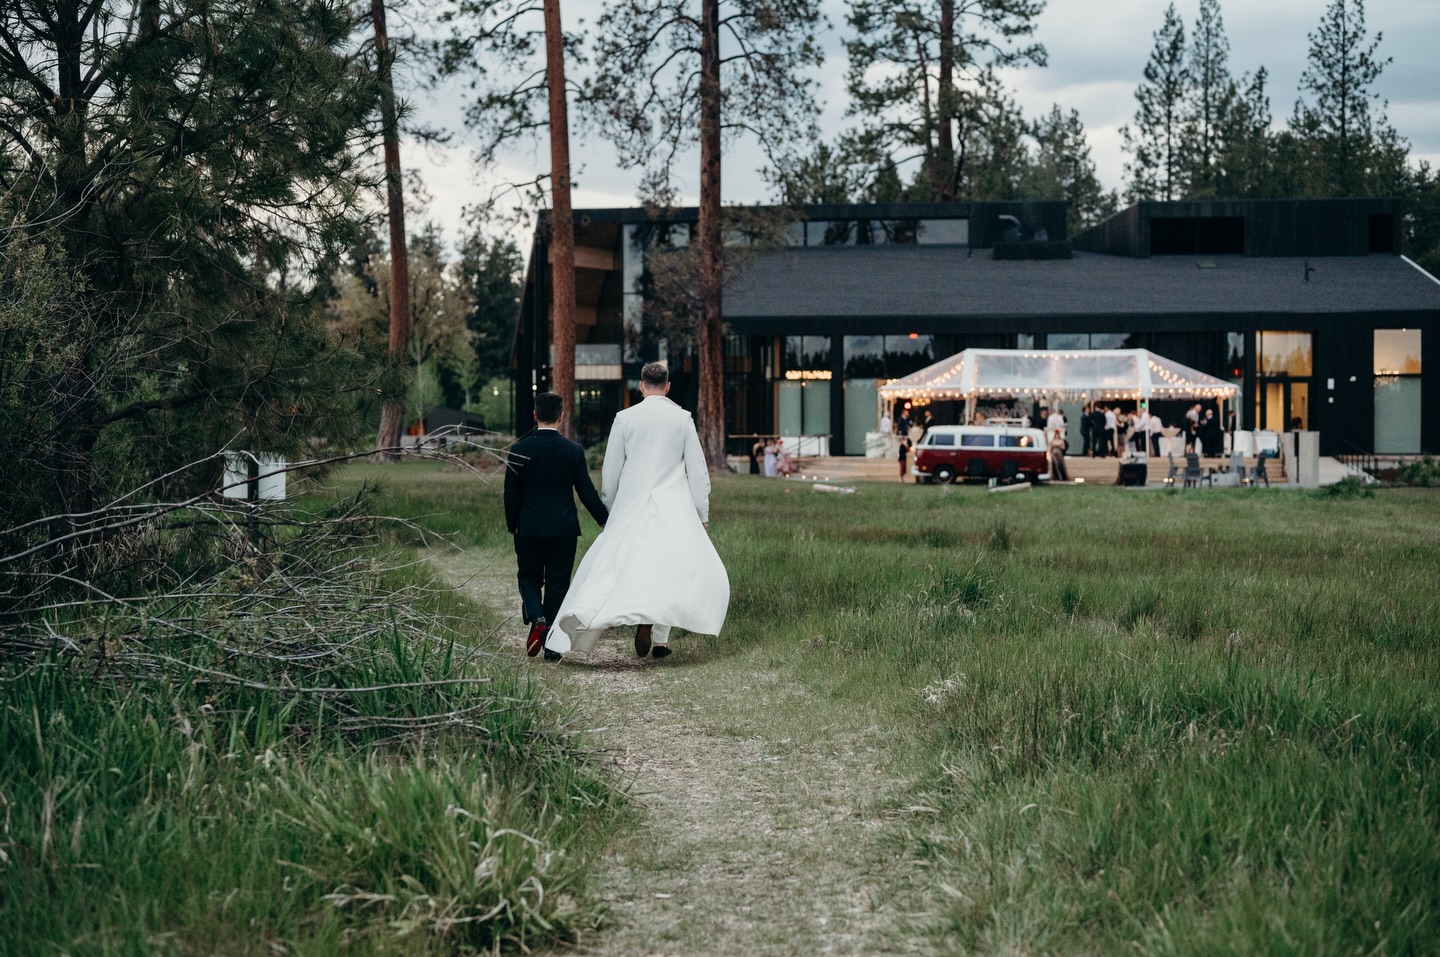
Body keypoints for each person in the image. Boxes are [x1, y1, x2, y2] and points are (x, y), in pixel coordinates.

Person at [545, 362, 729, 661]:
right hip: (673, 503)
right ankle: (658, 638)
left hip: (633, 502)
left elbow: (612, 467)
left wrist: (610, 507)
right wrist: (701, 511)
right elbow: (697, 469)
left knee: (615, 565)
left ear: (641, 386)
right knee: (670, 567)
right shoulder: (682, 419)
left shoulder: (625, 418)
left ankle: (588, 613)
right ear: (667, 386)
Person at [504, 391, 609, 661]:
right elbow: (585, 490)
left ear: (535, 415)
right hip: (564, 528)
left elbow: (511, 493)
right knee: (558, 584)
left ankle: (537, 616)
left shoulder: (518, 450)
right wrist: (604, 519)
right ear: (561, 417)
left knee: (528, 577)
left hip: (529, 526)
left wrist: (513, 523)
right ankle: (552, 647)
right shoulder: (573, 450)